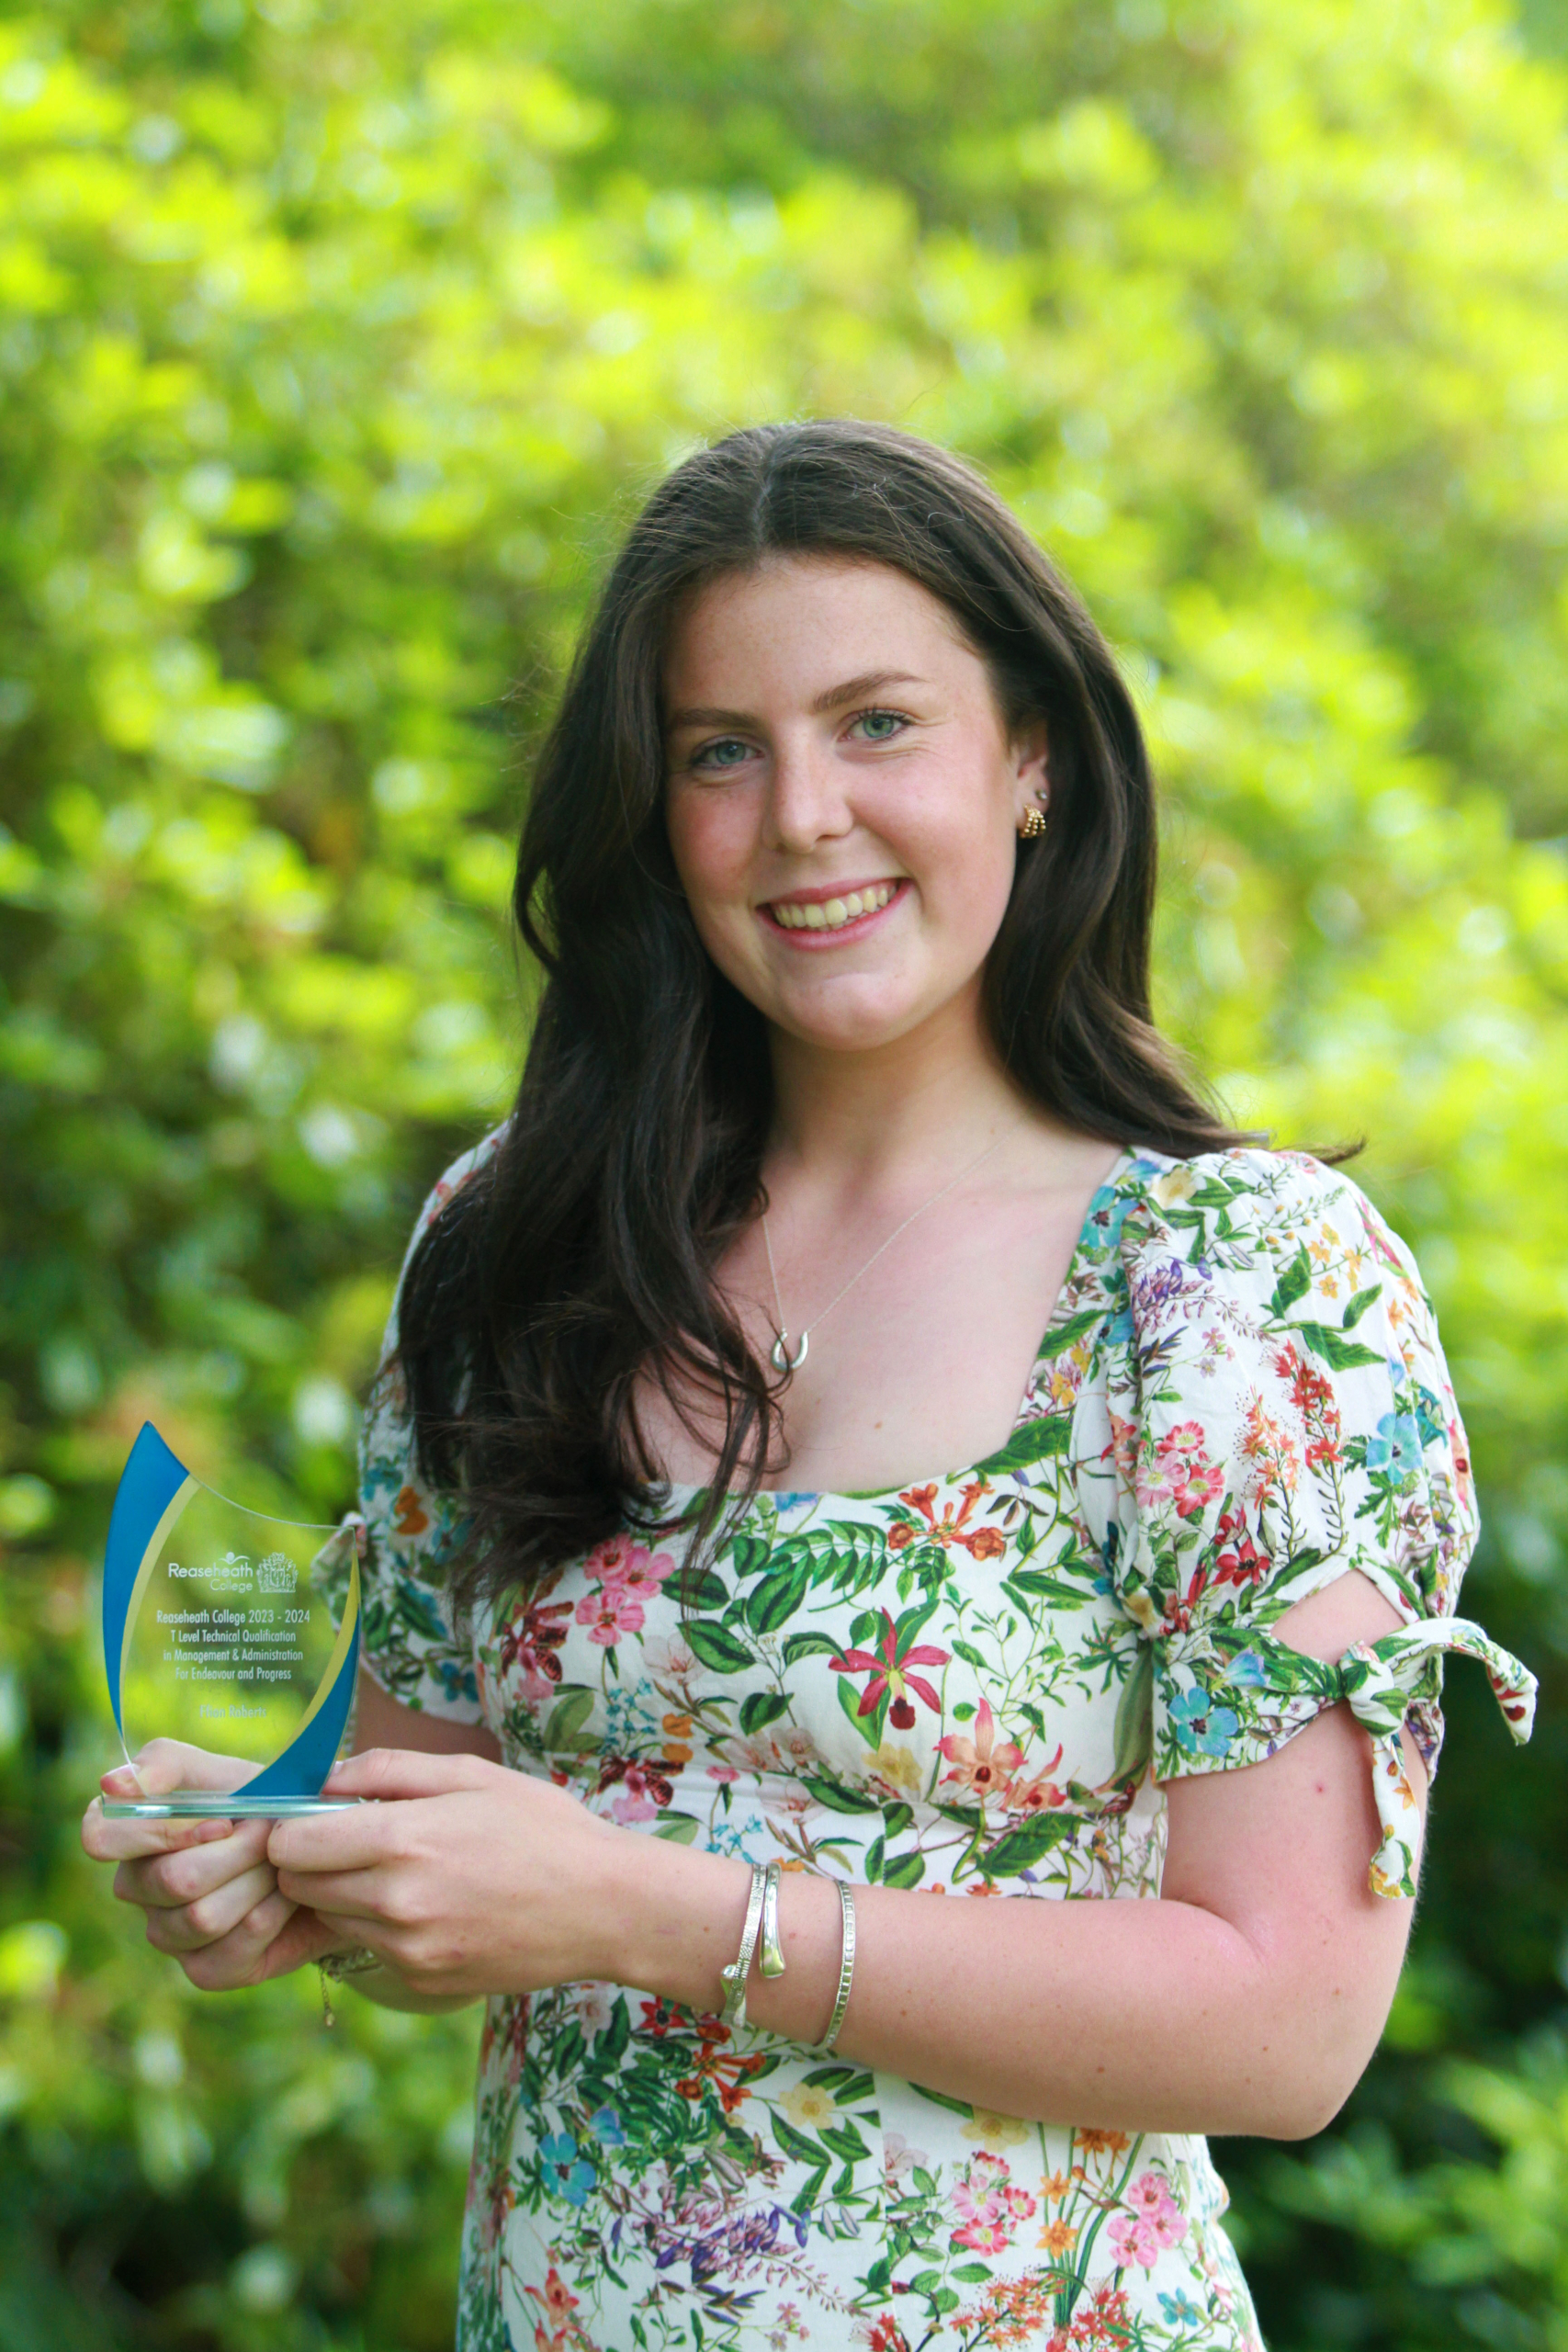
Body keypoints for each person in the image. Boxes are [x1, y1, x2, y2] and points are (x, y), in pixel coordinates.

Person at [85, 421, 1535, 2352]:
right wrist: (284, 1864)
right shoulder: (516, 1246)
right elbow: (460, 1822)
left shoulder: (1233, 1286)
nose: (800, 819)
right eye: (720, 751)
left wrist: (651, 1911)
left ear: (1031, 758)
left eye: (877, 725)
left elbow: (1285, 2023)